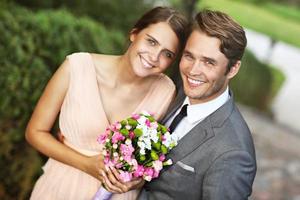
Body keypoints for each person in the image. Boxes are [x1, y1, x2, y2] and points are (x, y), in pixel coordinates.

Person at [25, 6, 188, 200]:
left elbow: (154, 156)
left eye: (167, 53)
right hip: (61, 188)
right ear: (134, 34)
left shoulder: (165, 91)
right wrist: (86, 163)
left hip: (120, 195)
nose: (154, 57)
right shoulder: (76, 67)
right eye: (151, 42)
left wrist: (140, 179)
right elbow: (35, 132)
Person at [138, 9, 257, 200]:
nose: (193, 70)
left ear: (233, 68)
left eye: (209, 62)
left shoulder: (233, 154)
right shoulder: (172, 96)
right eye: (189, 56)